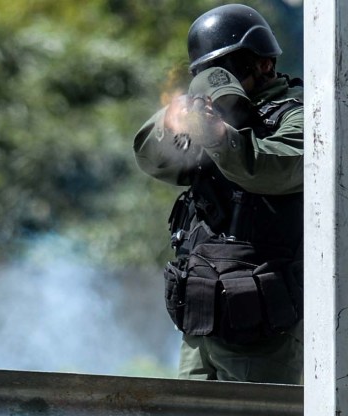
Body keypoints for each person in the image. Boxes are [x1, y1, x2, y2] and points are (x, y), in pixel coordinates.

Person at [133, 3, 303, 384]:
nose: (218, 81)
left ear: (264, 64)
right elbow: (154, 160)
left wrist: (220, 136)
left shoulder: (298, 115)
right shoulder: (207, 114)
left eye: (228, 68)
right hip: (201, 314)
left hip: (263, 324)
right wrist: (173, 120)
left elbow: (274, 169)